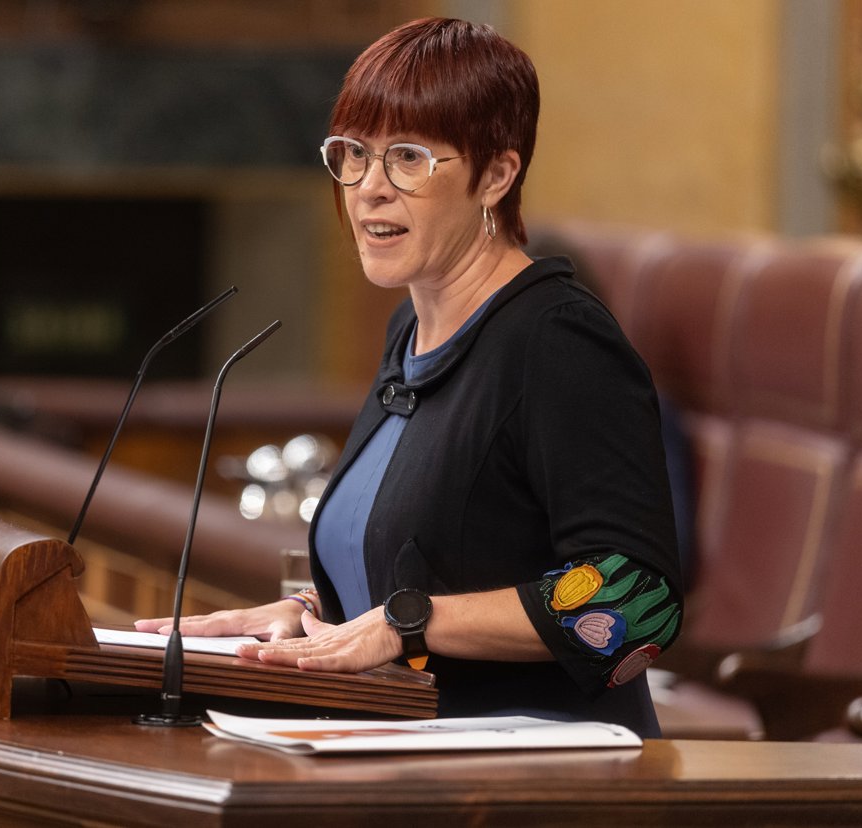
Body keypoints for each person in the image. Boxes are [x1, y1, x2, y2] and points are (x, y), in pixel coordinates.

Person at [136, 16, 683, 737]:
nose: (369, 187)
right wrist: (311, 615)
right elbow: (441, 559)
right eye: (353, 153)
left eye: (408, 157)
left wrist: (407, 622)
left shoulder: (558, 340)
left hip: (536, 770)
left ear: (496, 176)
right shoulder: (410, 328)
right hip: (406, 750)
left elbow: (637, 601)